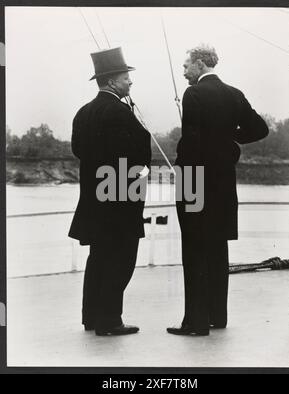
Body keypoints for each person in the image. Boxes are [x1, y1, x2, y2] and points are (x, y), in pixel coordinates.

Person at [167, 44, 269, 336]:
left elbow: (191, 142)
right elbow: (260, 129)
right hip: (224, 185)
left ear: (199, 64)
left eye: (186, 65)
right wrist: (228, 140)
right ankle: (217, 316)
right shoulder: (234, 94)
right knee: (217, 248)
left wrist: (180, 172)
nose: (184, 71)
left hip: (196, 183)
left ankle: (195, 323)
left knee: (194, 250)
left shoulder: (194, 93)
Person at [68, 47, 151, 336]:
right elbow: (128, 155)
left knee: (99, 257)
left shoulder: (83, 112)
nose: (130, 82)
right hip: (119, 201)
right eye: (126, 77)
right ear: (113, 81)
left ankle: (91, 317)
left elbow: (79, 150)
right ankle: (109, 320)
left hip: (94, 202)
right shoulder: (119, 111)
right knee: (121, 258)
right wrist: (142, 172)